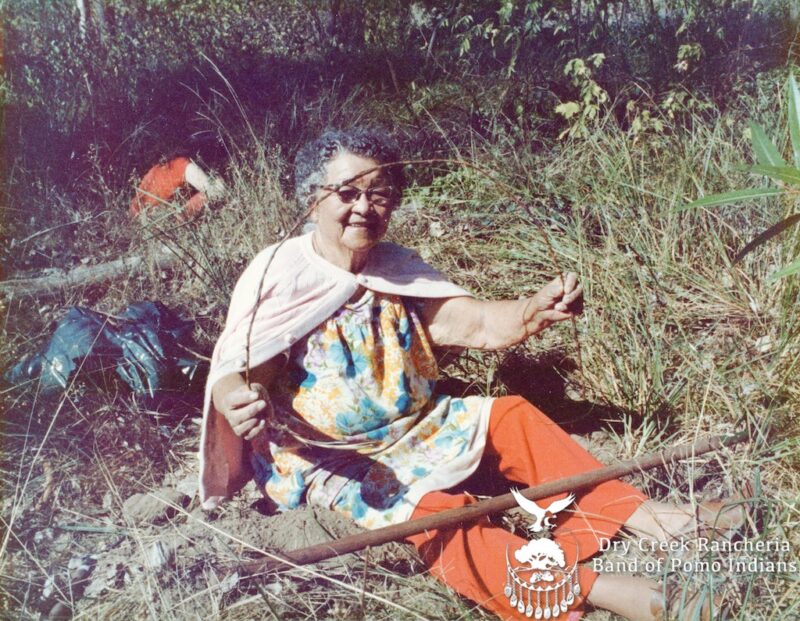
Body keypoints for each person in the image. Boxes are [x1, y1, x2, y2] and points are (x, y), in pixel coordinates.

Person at [199, 128, 745, 621]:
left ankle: (657, 519)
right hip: (331, 459)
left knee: (512, 417)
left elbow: (478, 322)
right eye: (346, 193)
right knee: (433, 514)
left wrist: (532, 310)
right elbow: (242, 368)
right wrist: (238, 396)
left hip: (419, 426)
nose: (363, 207)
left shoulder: (395, 266)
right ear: (312, 198)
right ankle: (602, 591)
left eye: (380, 194)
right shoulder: (282, 273)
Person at [129, 151, 225, 220]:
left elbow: (133, 210)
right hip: (168, 224)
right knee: (219, 186)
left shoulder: (155, 170)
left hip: (145, 224)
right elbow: (213, 190)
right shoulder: (181, 165)